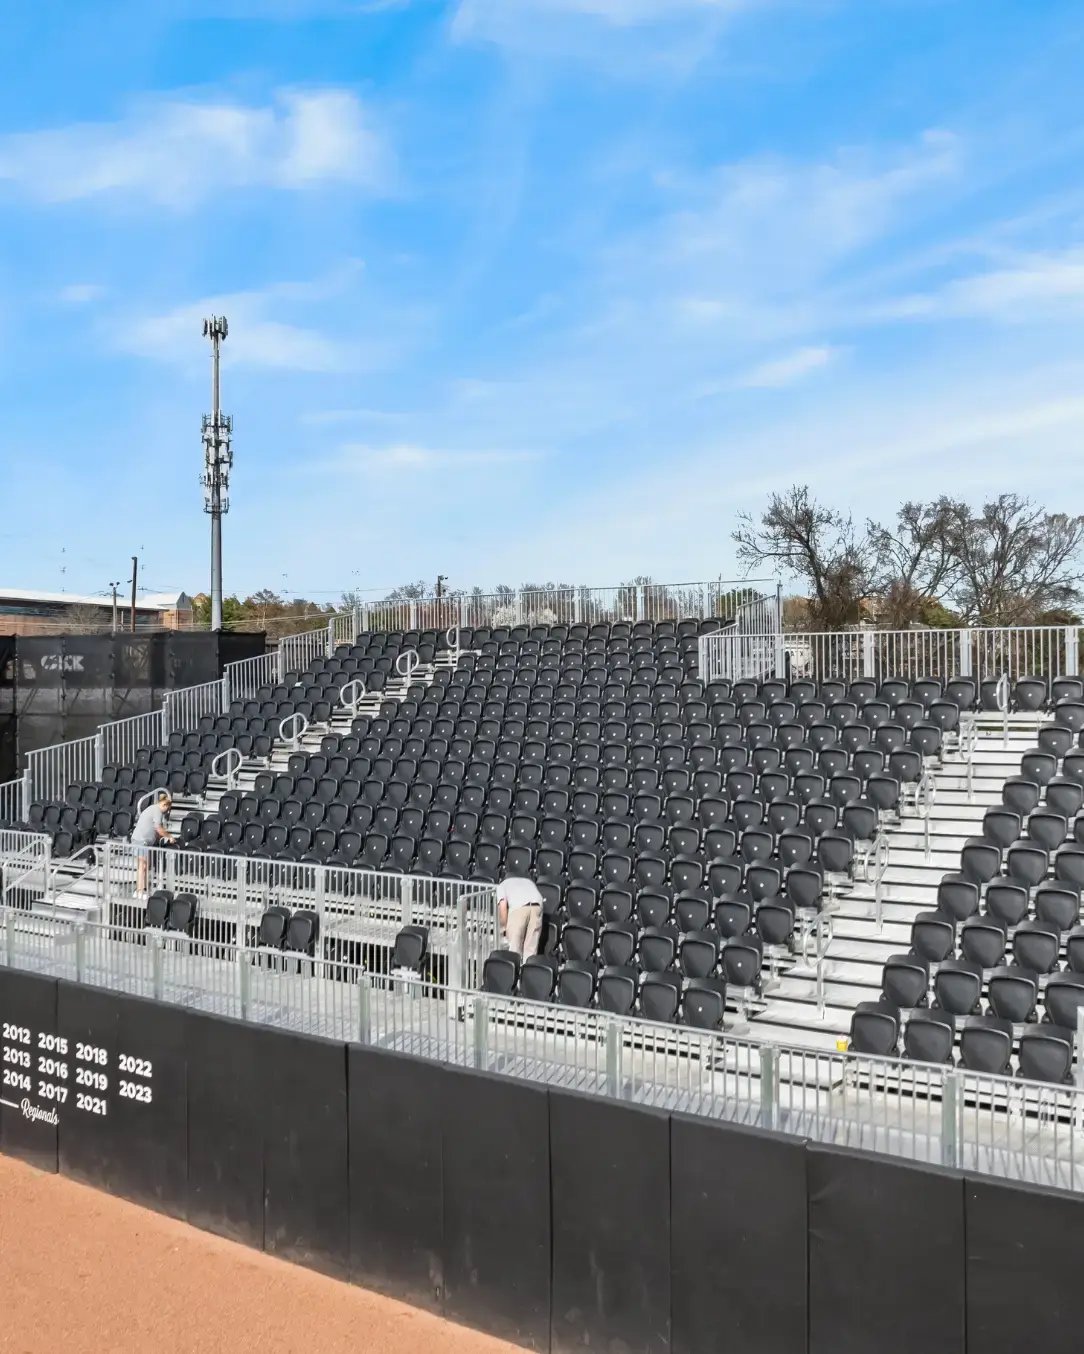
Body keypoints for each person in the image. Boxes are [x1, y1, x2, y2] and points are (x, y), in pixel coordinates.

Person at [131, 792, 175, 898]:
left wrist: (160, 838)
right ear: (165, 805)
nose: (167, 812)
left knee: (144, 866)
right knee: (143, 866)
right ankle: (140, 891)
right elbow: (158, 828)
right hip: (141, 840)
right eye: (168, 809)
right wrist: (169, 836)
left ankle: (142, 889)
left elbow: (154, 830)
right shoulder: (157, 811)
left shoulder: (152, 808)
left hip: (141, 840)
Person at [496, 872, 544, 959]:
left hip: (519, 907)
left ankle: (514, 970)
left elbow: (503, 907)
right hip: (537, 906)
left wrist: (503, 928)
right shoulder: (528, 881)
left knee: (514, 948)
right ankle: (529, 970)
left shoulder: (502, 885)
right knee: (531, 949)